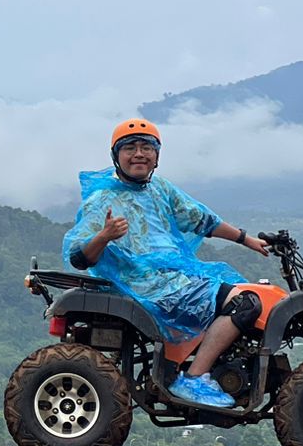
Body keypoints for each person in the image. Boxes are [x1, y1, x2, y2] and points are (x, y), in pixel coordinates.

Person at [62, 118, 269, 409]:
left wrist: (246, 239)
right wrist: (105, 236)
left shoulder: (159, 188)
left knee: (240, 296)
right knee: (245, 303)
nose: (138, 154)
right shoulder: (103, 199)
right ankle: (194, 377)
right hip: (148, 286)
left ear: (156, 156)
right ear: (116, 155)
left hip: (176, 278)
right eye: (129, 147)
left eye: (146, 147)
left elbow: (200, 219)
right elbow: (79, 256)